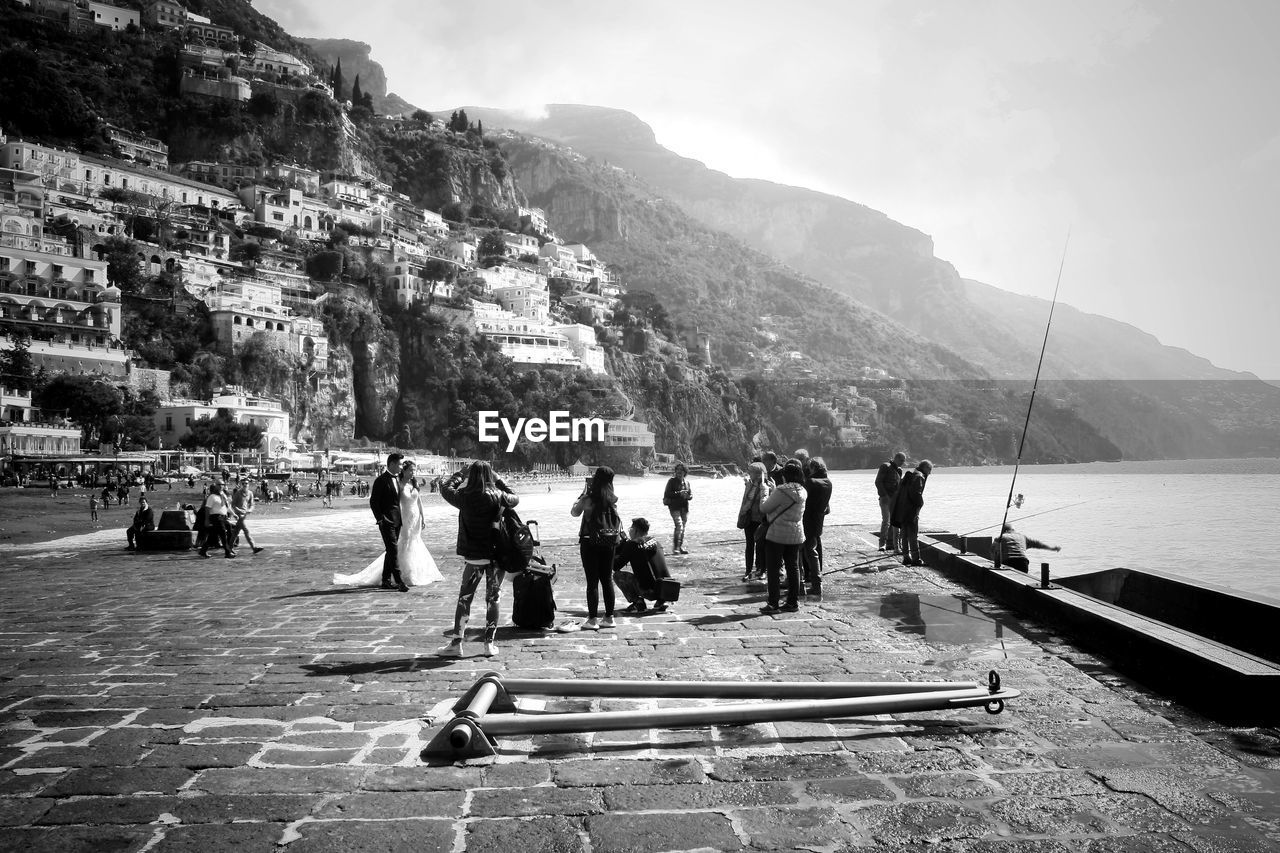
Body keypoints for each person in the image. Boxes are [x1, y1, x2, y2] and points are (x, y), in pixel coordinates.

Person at [436, 461, 518, 658]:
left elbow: (445, 487)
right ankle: (489, 644)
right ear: (490, 476)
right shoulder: (499, 496)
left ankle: (457, 643)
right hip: (496, 556)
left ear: (470, 477)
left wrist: (460, 474)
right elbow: (515, 497)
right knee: (493, 599)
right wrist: (499, 480)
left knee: (465, 598)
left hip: (474, 557)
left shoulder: (464, 497)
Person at [335, 460, 443, 588]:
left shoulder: (413, 483)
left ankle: (415, 571)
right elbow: (391, 503)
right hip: (403, 518)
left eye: (414, 470)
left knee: (415, 542)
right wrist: (386, 518)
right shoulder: (398, 484)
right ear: (404, 470)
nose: (413, 473)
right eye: (411, 470)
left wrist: (423, 517)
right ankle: (401, 575)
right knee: (402, 544)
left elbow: (419, 501)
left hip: (415, 518)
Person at [564, 466, 622, 632]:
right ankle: (609, 618)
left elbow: (574, 512)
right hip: (609, 542)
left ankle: (592, 619)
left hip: (590, 543)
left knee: (592, 582)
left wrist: (581, 495)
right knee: (607, 580)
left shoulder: (589, 498)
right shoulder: (613, 499)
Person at [759, 460, 807, 614]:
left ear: (785, 477)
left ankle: (773, 603)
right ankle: (793, 602)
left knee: (773, 569)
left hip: (777, 535)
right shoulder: (803, 491)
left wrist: (765, 491)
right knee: (793, 568)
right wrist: (775, 490)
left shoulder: (781, 490)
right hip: (796, 534)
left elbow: (764, 507)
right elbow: (785, 503)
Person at [612, 517, 673, 614]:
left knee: (617, 575)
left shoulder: (632, 544)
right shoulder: (656, 542)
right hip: (665, 588)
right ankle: (661, 601)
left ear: (635, 530)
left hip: (647, 590)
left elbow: (615, 567)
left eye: (630, 529)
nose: (630, 532)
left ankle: (638, 602)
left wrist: (615, 549)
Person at [368, 453, 408, 591]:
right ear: (391, 464)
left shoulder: (397, 479)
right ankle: (399, 580)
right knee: (393, 550)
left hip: (397, 520)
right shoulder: (381, 480)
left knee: (390, 550)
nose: (401, 467)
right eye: (399, 464)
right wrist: (380, 519)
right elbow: (373, 501)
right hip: (386, 521)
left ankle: (385, 580)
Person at [801, 457, 832, 597]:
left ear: (813, 468)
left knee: (806, 552)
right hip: (818, 521)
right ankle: (816, 582)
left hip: (806, 520)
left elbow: (802, 500)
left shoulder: (810, 482)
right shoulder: (828, 482)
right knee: (812, 550)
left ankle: (810, 583)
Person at [892, 460, 933, 566]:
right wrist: (920, 505)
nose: (930, 473)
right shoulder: (919, 477)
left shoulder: (910, 475)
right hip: (910, 510)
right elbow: (916, 494)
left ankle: (906, 557)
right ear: (925, 468)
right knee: (913, 535)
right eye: (929, 470)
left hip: (902, 509)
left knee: (904, 534)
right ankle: (916, 559)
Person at [737, 461, 771, 582]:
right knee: (749, 545)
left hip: (761, 519)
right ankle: (748, 571)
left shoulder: (767, 485)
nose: (749, 474)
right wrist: (741, 515)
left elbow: (767, 502)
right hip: (749, 518)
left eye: (751, 472)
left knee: (761, 546)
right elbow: (744, 502)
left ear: (758, 474)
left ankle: (762, 570)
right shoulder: (749, 485)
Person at [875, 452, 906, 553]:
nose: (902, 463)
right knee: (886, 521)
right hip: (885, 499)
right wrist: (885, 495)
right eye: (901, 460)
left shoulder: (899, 470)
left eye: (903, 461)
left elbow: (899, 486)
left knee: (894, 523)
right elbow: (878, 482)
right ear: (896, 458)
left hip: (895, 500)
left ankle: (891, 543)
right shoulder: (885, 466)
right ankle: (882, 544)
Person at [197, 483, 235, 559]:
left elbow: (227, 507)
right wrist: (207, 520)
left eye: (222, 485)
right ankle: (228, 552)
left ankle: (203, 551)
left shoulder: (223, 495)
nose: (221, 487)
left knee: (214, 535)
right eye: (219, 485)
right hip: (216, 517)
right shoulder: (211, 497)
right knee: (223, 534)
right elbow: (207, 509)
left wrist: (234, 514)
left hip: (223, 517)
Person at [662, 463, 693, 555]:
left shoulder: (687, 483)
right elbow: (667, 494)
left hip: (684, 508)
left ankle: (679, 547)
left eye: (681, 470)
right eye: (677, 470)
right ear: (675, 471)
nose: (679, 471)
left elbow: (691, 495)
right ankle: (676, 548)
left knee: (683, 527)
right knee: (679, 525)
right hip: (674, 507)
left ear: (685, 472)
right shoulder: (671, 481)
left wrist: (688, 496)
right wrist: (679, 493)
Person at [229, 479, 264, 555]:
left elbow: (252, 504)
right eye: (243, 483)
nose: (245, 485)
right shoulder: (238, 493)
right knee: (246, 530)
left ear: (248, 484)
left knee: (235, 532)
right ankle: (254, 547)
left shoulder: (250, 493)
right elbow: (233, 505)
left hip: (245, 514)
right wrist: (239, 511)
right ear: (241, 485)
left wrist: (250, 510)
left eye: (246, 483)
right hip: (239, 515)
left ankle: (229, 547)